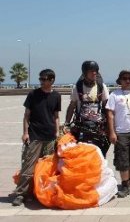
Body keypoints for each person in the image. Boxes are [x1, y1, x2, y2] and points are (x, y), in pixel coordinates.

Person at [10, 69, 61, 206]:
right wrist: (25, 133)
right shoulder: (33, 94)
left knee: (46, 168)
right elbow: (26, 116)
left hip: (50, 137)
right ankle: (21, 194)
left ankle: (40, 193)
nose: (42, 81)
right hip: (35, 135)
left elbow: (56, 116)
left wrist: (57, 132)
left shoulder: (56, 96)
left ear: (52, 80)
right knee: (28, 166)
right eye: (40, 79)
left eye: (44, 79)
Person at [106, 70, 130, 198]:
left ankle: (129, 181)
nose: (127, 81)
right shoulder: (114, 95)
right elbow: (110, 114)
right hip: (121, 132)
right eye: (124, 78)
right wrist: (112, 132)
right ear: (120, 80)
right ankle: (125, 185)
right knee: (122, 159)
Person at [65, 60, 110, 157]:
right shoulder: (77, 88)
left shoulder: (102, 87)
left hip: (98, 127)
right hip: (81, 127)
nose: (94, 73)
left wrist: (109, 127)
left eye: (96, 71)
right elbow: (72, 106)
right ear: (85, 73)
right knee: (81, 155)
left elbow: (107, 107)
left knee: (99, 155)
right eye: (91, 71)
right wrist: (67, 123)